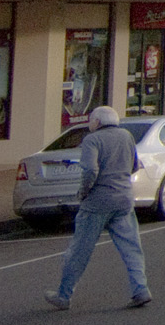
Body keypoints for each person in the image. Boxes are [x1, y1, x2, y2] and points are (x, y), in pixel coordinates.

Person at [47, 106, 151, 310]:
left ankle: (64, 295)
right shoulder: (126, 136)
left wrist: (83, 192)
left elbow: (90, 170)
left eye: (91, 120)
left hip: (97, 202)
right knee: (131, 248)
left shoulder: (92, 140)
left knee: (79, 250)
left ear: (97, 122)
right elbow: (134, 166)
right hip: (124, 199)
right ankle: (140, 289)